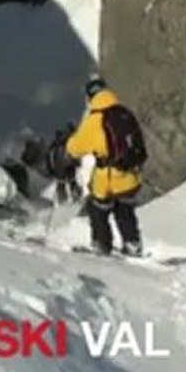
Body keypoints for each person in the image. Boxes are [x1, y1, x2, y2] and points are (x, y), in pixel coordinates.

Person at [66, 77, 145, 256]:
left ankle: (102, 246)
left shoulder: (95, 120)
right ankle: (132, 244)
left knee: (98, 210)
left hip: (107, 178)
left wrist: (69, 141)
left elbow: (75, 148)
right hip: (130, 175)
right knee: (124, 210)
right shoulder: (124, 112)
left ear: (90, 97)